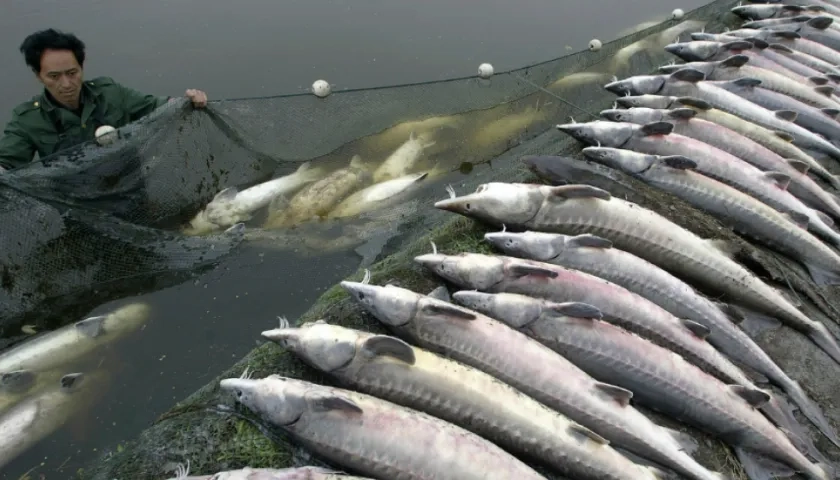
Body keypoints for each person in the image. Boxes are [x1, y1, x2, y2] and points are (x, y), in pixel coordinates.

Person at [0, 28, 209, 172]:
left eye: (72, 73)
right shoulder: (27, 119)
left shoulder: (110, 94)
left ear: (82, 67)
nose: (66, 84)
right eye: (54, 77)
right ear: (38, 75)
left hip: (130, 196)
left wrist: (189, 100)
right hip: (75, 208)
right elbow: (6, 163)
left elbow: (158, 106)